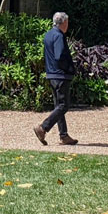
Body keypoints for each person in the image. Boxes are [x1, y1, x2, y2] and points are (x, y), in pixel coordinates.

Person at [33, 11, 78, 147]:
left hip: (51, 74)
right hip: (60, 75)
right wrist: (69, 69)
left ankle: (63, 135)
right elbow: (59, 56)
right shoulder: (59, 36)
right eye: (67, 22)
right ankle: (43, 127)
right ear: (63, 22)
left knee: (58, 105)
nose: (67, 25)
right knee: (64, 105)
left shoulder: (48, 35)